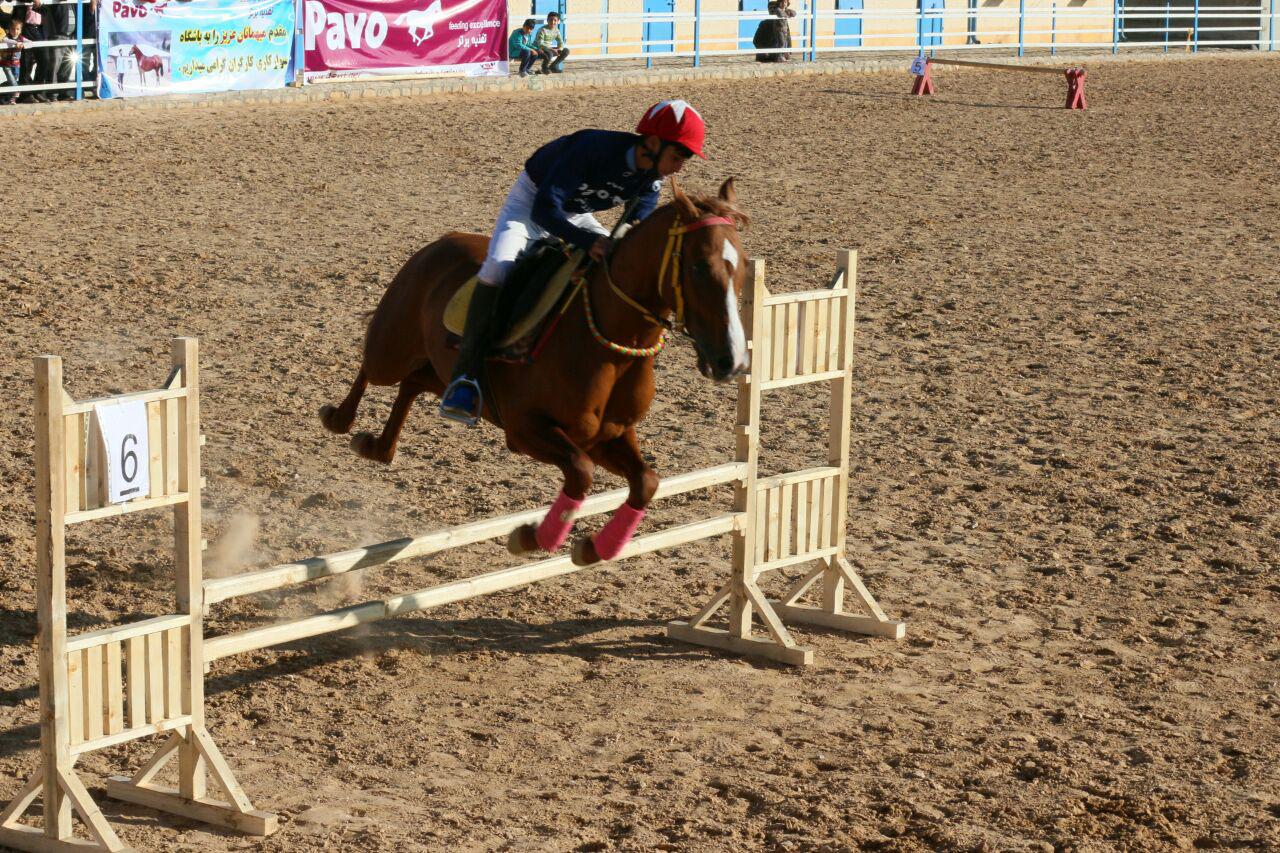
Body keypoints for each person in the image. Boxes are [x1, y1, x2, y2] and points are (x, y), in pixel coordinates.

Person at [439, 99, 707, 424]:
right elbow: (543, 211)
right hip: (530, 203)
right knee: (498, 265)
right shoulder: (591, 147)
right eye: (678, 156)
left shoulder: (651, 181)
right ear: (652, 142)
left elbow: (632, 232)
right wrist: (587, 241)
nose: (680, 166)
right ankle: (465, 376)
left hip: (577, 215)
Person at [1, 18, 24, 104]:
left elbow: (29, 42)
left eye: (18, 29)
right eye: (13, 29)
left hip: (16, 63)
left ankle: (10, 98)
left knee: (13, 79)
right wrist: (15, 43)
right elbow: (4, 40)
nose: (15, 31)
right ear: (9, 30)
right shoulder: (7, 37)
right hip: (6, 62)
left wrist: (27, 43)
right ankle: (16, 90)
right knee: (10, 77)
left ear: (21, 30)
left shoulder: (21, 38)